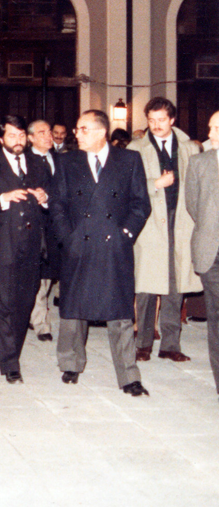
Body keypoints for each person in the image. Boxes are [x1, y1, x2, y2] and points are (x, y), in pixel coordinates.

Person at [50, 110, 152, 396]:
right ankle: (70, 362)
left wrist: (126, 235)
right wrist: (66, 237)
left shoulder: (129, 160)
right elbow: (57, 204)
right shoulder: (67, 161)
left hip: (114, 246)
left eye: (82, 129)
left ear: (99, 132)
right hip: (78, 244)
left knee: (119, 311)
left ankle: (128, 375)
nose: (76, 133)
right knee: (73, 308)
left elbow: (140, 204)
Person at [0, 115, 50, 384]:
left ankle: (12, 351)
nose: (17, 141)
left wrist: (44, 198)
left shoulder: (37, 163)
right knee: (4, 304)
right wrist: (2, 198)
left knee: (25, 302)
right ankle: (10, 363)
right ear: (0, 137)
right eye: (12, 136)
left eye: (21, 136)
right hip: (3, 244)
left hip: (31, 245)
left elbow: (50, 196)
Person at [127, 97, 201, 362]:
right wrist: (154, 183)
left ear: (172, 120)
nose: (156, 126)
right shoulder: (135, 148)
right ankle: (143, 343)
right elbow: (127, 187)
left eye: (161, 120)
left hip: (180, 222)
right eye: (151, 121)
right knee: (146, 285)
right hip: (149, 223)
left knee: (175, 284)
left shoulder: (190, 148)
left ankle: (170, 344)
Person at [184, 110, 219, 397]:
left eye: (217, 128)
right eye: (211, 128)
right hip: (212, 253)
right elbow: (193, 206)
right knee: (217, 317)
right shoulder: (198, 162)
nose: (211, 134)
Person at [27, 119, 59, 341]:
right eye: (42, 133)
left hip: (57, 222)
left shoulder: (61, 158)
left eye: (50, 131)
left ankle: (35, 315)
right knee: (38, 274)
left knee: (49, 274)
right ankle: (40, 323)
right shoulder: (25, 161)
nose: (49, 136)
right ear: (30, 138)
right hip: (35, 223)